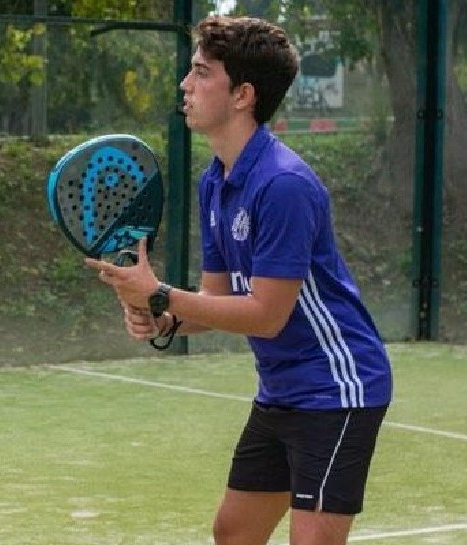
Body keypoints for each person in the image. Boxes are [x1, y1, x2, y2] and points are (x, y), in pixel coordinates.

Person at [85, 15, 392, 545]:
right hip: (281, 389)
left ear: (243, 95)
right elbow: (218, 301)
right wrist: (162, 317)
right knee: (234, 533)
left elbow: (266, 316)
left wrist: (159, 293)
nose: (185, 84)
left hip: (337, 388)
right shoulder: (216, 182)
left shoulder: (284, 185)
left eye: (202, 73)